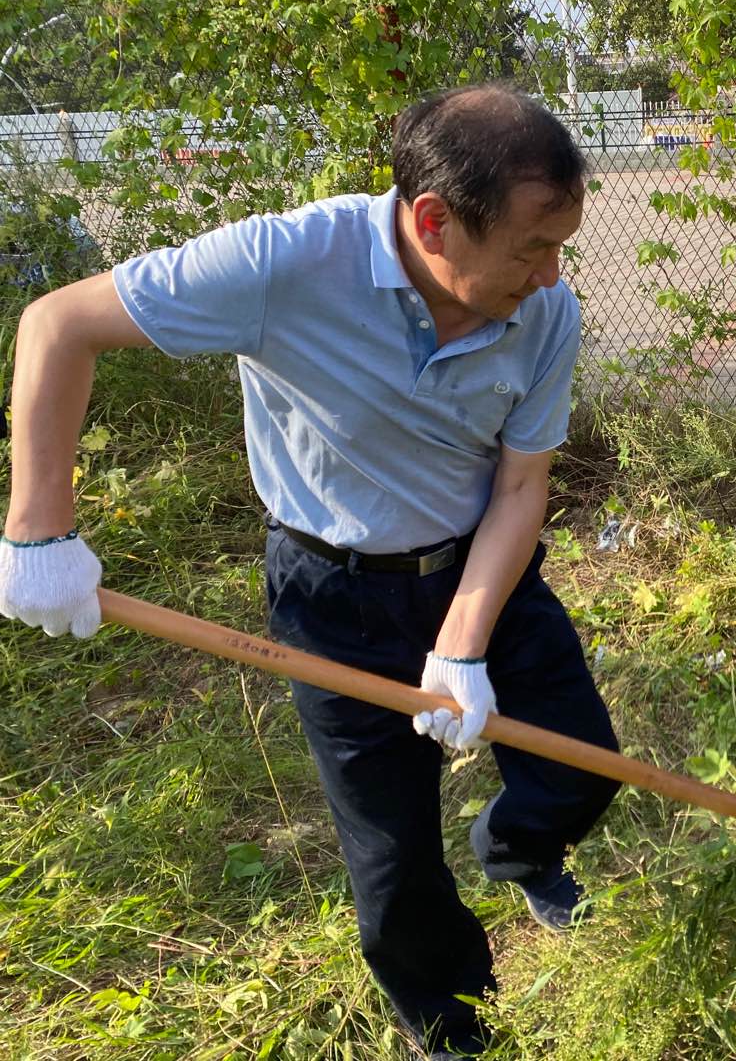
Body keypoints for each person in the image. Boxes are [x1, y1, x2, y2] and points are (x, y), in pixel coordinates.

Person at [0, 83, 620, 1059]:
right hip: (333, 594)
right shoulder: (282, 263)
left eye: (561, 250)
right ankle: (459, 1029)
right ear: (433, 222)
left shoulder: (546, 316)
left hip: (479, 570)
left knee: (581, 757)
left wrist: (461, 645)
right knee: (393, 856)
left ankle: (520, 848)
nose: (551, 276)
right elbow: (56, 324)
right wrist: (37, 532)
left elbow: (518, 491)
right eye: (532, 249)